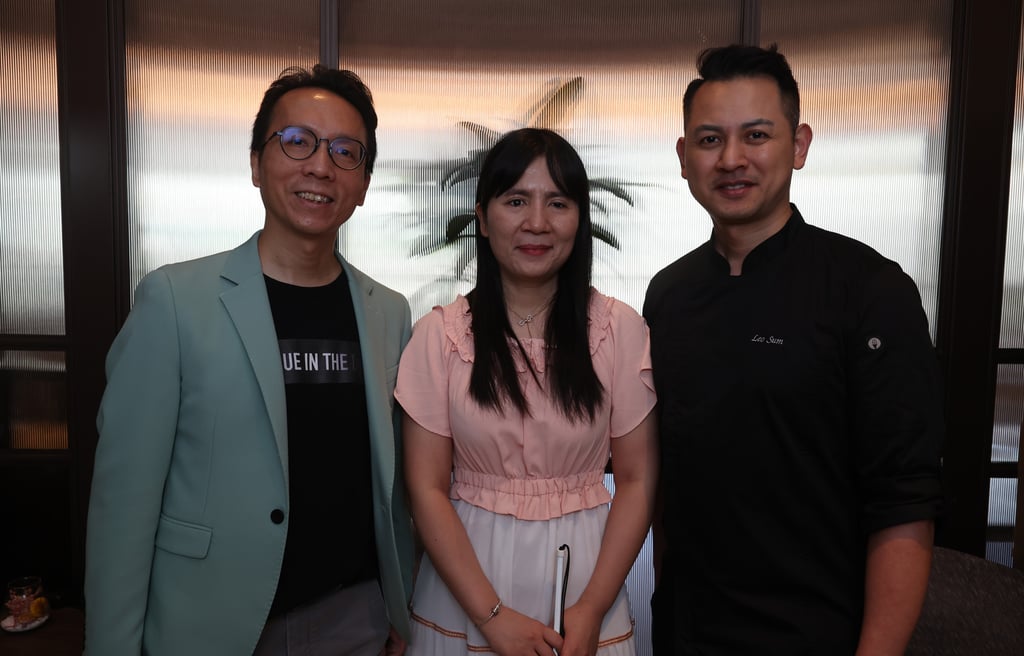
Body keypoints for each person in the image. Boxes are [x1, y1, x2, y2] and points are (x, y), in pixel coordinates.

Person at [84, 65, 414, 656]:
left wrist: (400, 603)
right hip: (209, 622)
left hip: (354, 617)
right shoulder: (175, 302)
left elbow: (392, 486)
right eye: (297, 141)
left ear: (363, 183)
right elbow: (123, 506)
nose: (321, 166)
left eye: (346, 151)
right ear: (257, 163)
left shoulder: (389, 312)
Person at [643, 44, 944, 655]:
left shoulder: (870, 290)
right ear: (683, 157)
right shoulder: (668, 295)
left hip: (819, 633)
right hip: (687, 631)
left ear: (799, 145)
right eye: (709, 140)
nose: (732, 159)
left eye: (756, 135)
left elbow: (905, 501)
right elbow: (665, 481)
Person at [397, 127, 658, 656]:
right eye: (516, 201)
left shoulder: (618, 330)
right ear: (482, 217)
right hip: (465, 593)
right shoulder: (440, 336)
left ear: (579, 219)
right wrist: (490, 618)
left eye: (557, 203)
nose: (537, 222)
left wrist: (592, 607)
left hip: (588, 593)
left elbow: (636, 479)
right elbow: (425, 488)